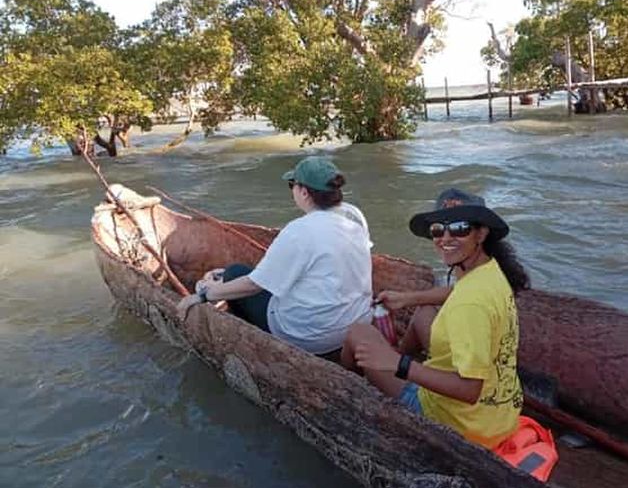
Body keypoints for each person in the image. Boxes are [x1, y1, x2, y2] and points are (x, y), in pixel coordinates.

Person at [341, 188, 527, 449]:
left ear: (481, 233)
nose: (446, 238)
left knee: (358, 333)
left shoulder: (470, 305)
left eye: (460, 229)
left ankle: (350, 389)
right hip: (498, 417)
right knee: (424, 312)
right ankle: (390, 366)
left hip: (461, 425)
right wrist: (408, 299)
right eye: (439, 230)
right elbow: (457, 292)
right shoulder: (490, 271)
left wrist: (399, 364)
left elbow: (470, 390)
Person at [177, 156, 373, 355]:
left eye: (292, 184)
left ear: (304, 192)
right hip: (357, 324)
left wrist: (204, 295)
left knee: (234, 272)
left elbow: (253, 285)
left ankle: (250, 342)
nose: (292, 190)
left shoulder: (299, 230)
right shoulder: (353, 215)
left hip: (309, 337)